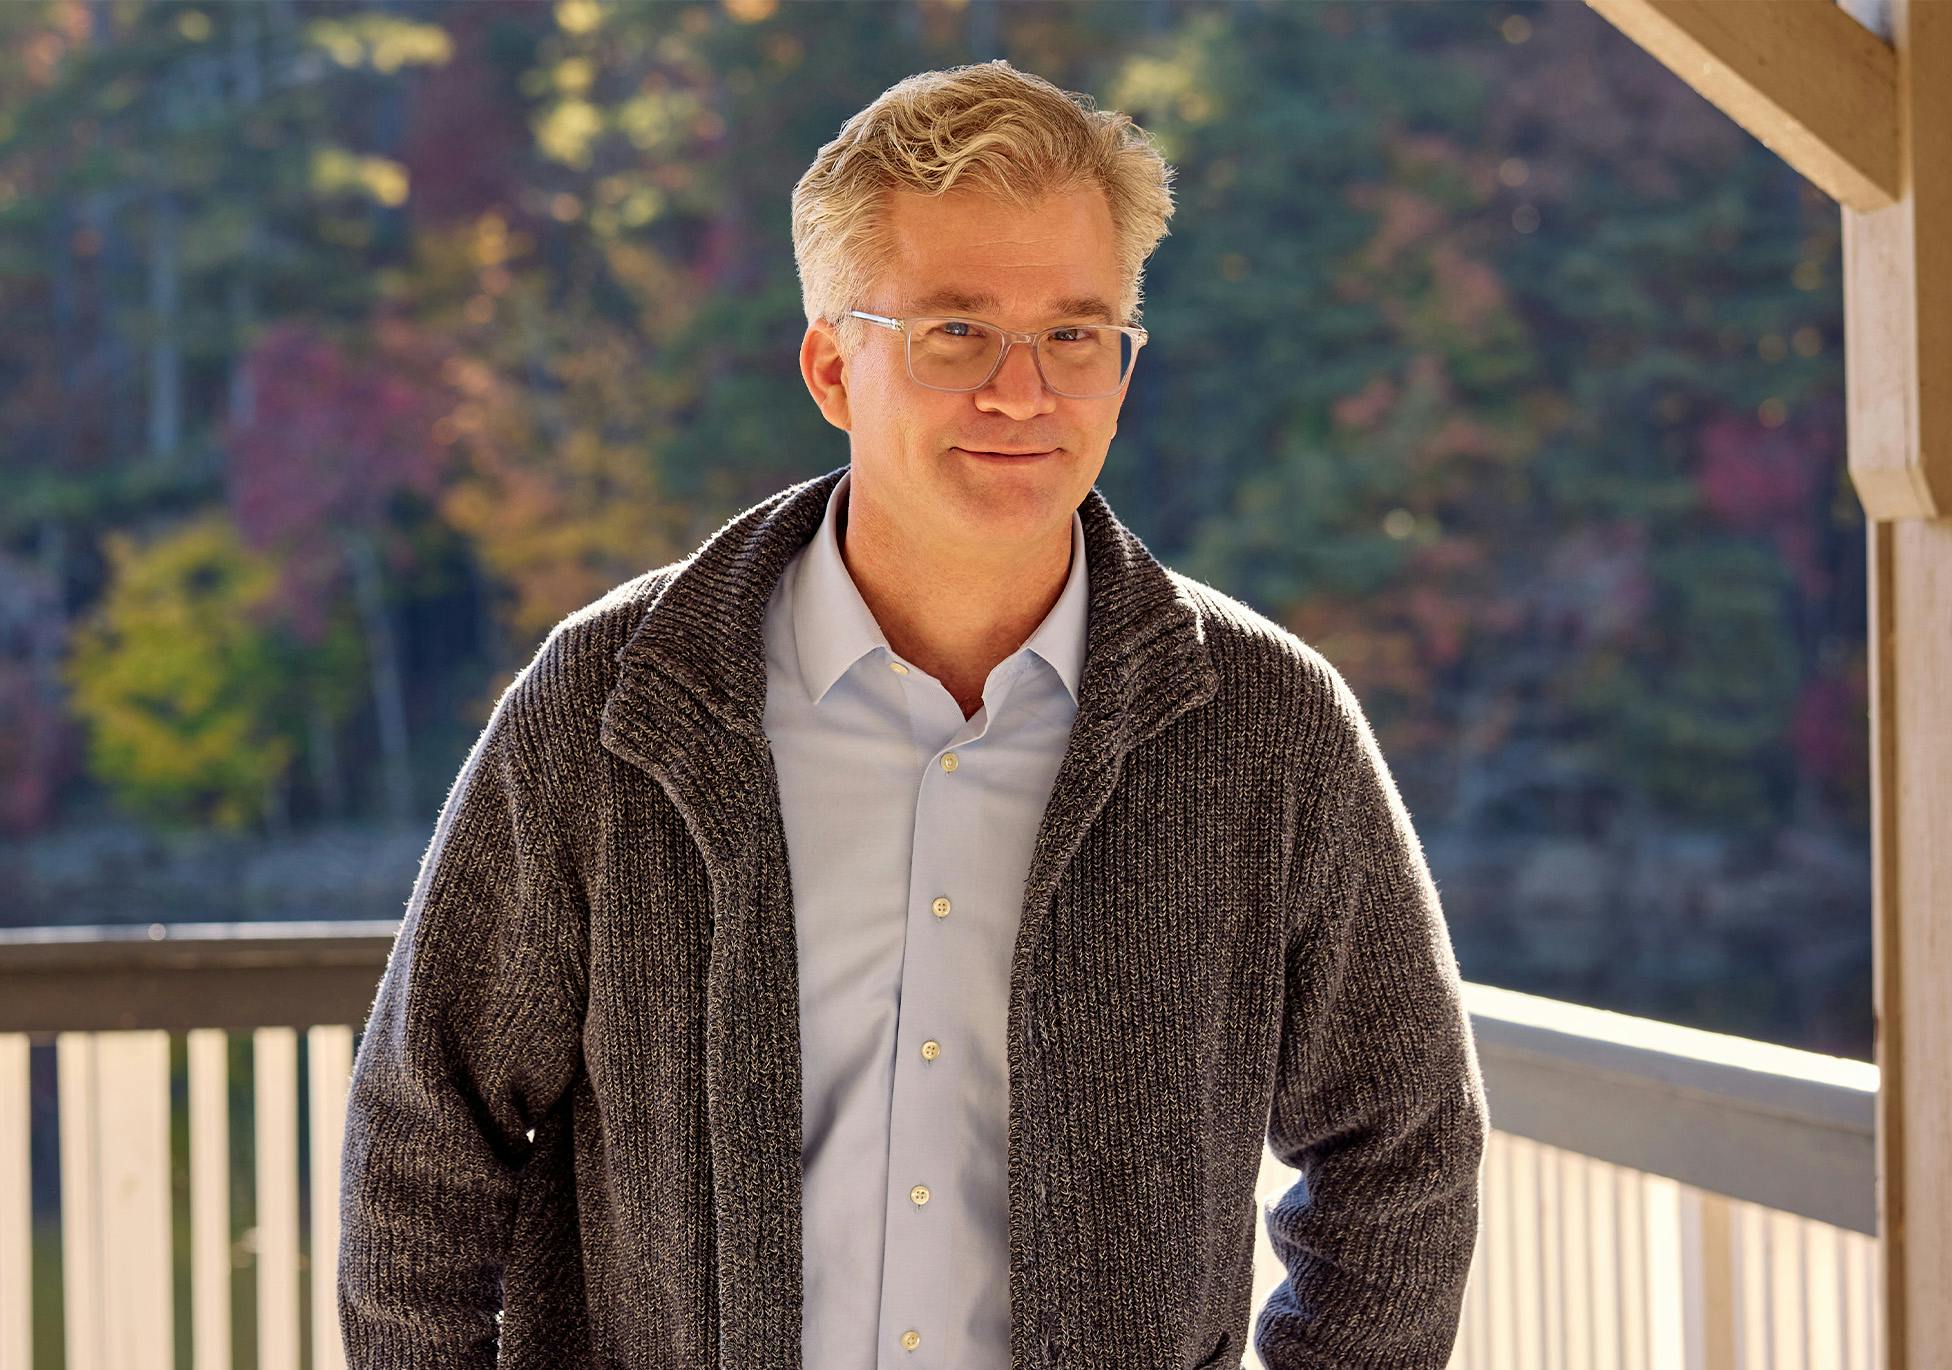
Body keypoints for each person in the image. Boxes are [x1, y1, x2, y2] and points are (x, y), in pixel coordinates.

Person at [337, 58, 1488, 1370]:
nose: (1023, 392)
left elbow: (1404, 1149)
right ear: (832, 367)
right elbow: (423, 1148)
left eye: (1075, 334)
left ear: (1124, 364)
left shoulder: (1270, 726)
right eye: (955, 331)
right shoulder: (611, 705)